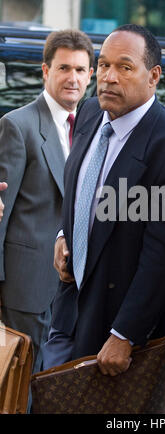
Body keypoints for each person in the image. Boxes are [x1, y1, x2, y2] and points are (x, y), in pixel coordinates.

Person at [43, 24, 165, 375]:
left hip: (121, 339)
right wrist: (63, 235)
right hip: (69, 312)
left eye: (125, 67)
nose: (108, 77)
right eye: (103, 65)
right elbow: (79, 190)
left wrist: (125, 334)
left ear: (154, 76)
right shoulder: (88, 113)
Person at [0, 29, 94, 374]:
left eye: (81, 70)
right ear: (45, 71)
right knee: (17, 387)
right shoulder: (17, 126)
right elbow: (1, 214)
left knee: (60, 387)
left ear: (91, 75)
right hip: (26, 287)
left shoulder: (95, 127)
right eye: (64, 68)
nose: (73, 78)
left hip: (77, 287)